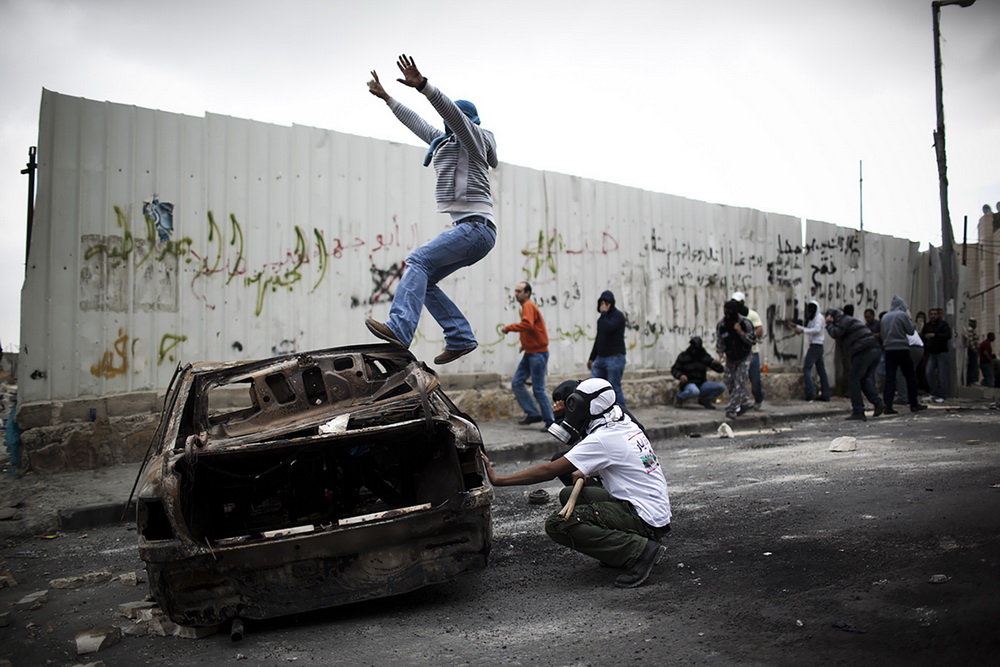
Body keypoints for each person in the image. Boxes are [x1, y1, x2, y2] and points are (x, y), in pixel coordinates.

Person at [364, 54, 498, 365]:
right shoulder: (446, 142)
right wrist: (389, 99)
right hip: (472, 231)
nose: (446, 128)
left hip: (475, 228)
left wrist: (424, 86)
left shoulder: (473, 139)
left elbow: (452, 114)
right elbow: (419, 125)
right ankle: (460, 336)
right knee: (423, 279)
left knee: (417, 261)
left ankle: (399, 329)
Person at [482, 378, 671, 589]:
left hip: (642, 517)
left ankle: (641, 552)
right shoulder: (621, 420)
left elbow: (549, 471)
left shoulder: (603, 437)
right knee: (570, 495)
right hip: (654, 513)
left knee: (558, 524)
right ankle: (621, 550)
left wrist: (499, 480)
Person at [502, 282, 555, 427]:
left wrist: (508, 328)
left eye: (519, 291)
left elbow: (528, 325)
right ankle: (533, 414)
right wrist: (525, 345)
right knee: (517, 383)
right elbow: (532, 328)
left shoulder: (528, 306)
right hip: (531, 352)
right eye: (515, 291)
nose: (516, 294)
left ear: (527, 293)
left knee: (538, 389)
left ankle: (550, 421)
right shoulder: (526, 306)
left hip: (537, 354)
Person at [824, 309, 885, 421]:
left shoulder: (842, 322)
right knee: (863, 379)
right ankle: (878, 403)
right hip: (874, 349)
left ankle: (858, 410)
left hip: (864, 351)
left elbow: (835, 333)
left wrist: (828, 324)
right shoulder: (848, 319)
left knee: (853, 379)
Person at [880, 296, 927, 414]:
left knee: (890, 378)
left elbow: (882, 334)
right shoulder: (902, 315)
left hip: (889, 349)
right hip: (902, 348)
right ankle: (914, 403)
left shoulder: (885, 317)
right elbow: (910, 331)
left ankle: (888, 406)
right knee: (910, 376)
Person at [716, 299, 757, 420]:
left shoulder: (745, 323)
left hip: (744, 356)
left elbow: (752, 340)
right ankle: (745, 401)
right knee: (728, 380)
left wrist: (741, 332)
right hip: (731, 357)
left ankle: (732, 409)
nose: (728, 314)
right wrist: (720, 353)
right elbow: (720, 340)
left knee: (740, 381)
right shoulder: (722, 324)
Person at [587, 290, 628, 407]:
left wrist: (604, 314)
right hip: (600, 358)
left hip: (614, 358)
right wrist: (592, 357)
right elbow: (599, 338)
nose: (603, 306)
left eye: (606, 303)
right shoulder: (602, 319)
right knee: (595, 388)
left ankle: (623, 415)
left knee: (614, 387)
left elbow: (608, 328)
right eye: (601, 303)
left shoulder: (618, 316)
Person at [789, 300, 830, 402]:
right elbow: (809, 329)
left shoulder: (819, 318)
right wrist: (797, 327)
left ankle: (811, 394)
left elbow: (816, 330)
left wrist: (802, 330)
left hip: (816, 345)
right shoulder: (813, 318)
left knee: (807, 368)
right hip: (816, 346)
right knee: (821, 370)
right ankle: (825, 394)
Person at [671, 336, 725, 409]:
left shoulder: (704, 356)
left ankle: (705, 400)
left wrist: (717, 364)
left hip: (701, 383)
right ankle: (680, 397)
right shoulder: (683, 356)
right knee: (694, 391)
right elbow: (674, 369)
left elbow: (719, 370)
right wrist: (680, 375)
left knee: (720, 387)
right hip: (688, 382)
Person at [731, 291, 765, 408]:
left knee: (755, 379)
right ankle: (742, 402)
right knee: (738, 379)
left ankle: (758, 398)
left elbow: (759, 330)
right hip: (738, 354)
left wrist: (745, 335)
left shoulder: (752, 315)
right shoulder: (731, 316)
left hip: (752, 352)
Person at [921, 308, 952, 402]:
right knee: (929, 373)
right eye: (931, 314)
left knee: (942, 375)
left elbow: (948, 335)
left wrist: (935, 335)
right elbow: (923, 336)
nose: (933, 316)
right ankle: (933, 393)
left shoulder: (943, 325)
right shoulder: (927, 326)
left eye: (935, 314)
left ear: (938, 315)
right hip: (931, 353)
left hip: (942, 352)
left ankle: (943, 395)